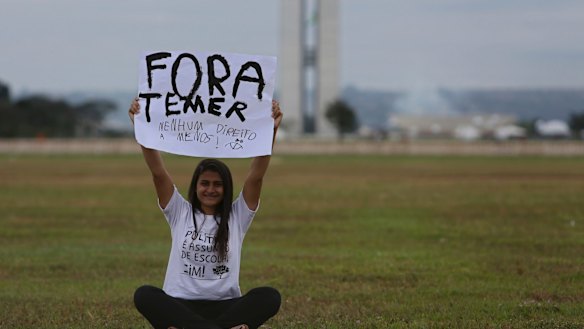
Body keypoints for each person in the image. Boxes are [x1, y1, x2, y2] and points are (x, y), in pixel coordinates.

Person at [128, 98, 283, 329]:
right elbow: (158, 173)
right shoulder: (179, 210)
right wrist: (142, 127)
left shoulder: (237, 216)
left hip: (225, 306)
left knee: (270, 296)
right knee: (144, 295)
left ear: (226, 188)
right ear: (196, 186)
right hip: (180, 305)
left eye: (217, 184)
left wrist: (270, 130)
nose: (210, 189)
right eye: (205, 183)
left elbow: (256, 176)